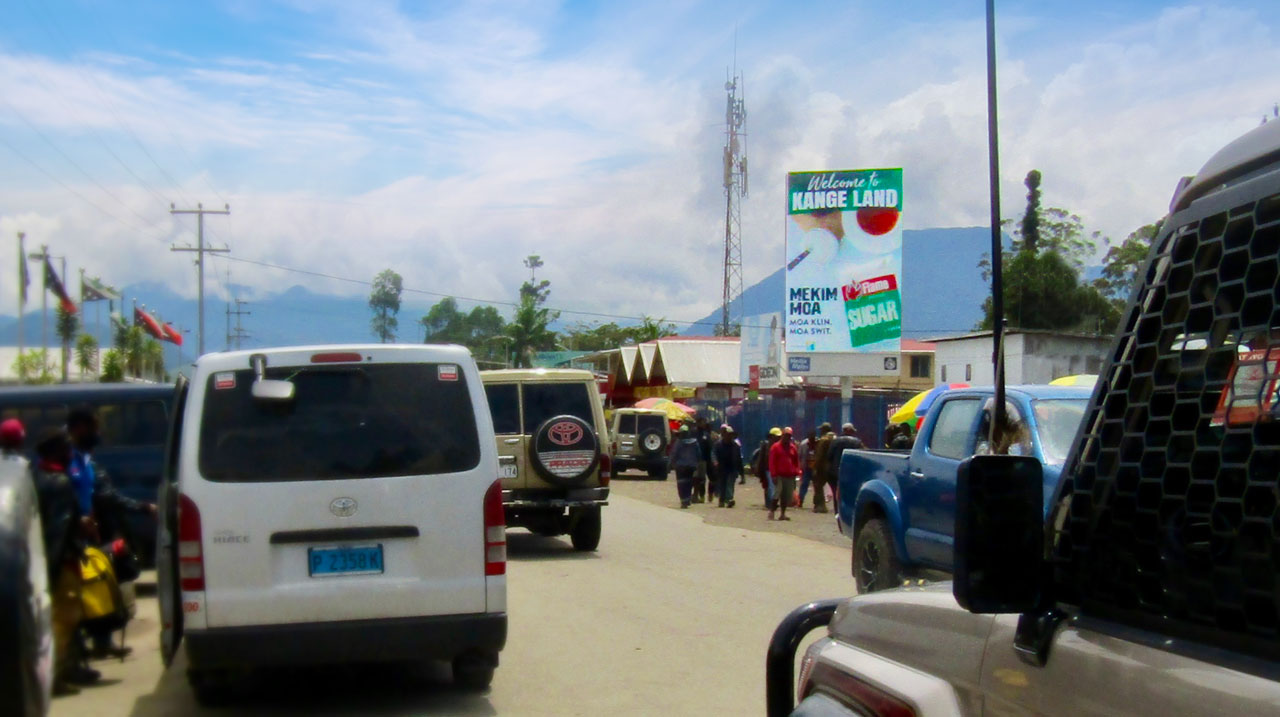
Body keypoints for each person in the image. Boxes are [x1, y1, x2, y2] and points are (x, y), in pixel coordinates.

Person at [66, 407, 156, 659]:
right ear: (79, 428)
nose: (98, 433)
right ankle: (77, 650)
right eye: (94, 428)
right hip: (74, 535)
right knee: (79, 591)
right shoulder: (69, 459)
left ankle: (102, 641)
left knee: (100, 584)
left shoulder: (85, 459)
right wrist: (142, 507)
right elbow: (104, 496)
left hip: (92, 532)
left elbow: (101, 495)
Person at [30, 429, 99, 693]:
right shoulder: (60, 482)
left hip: (40, 559)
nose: (71, 453)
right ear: (57, 452)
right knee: (65, 618)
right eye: (66, 448)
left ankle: (66, 669)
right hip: (60, 562)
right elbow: (58, 530)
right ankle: (55, 677)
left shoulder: (35, 476)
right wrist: (55, 567)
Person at [820, 423, 866, 511]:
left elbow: (829, 456)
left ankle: (837, 511)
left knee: (836, 493)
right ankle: (848, 511)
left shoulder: (835, 441)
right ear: (851, 431)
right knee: (850, 493)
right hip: (851, 473)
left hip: (835, 472)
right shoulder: (857, 442)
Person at [768, 427, 801, 521]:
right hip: (779, 475)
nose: (787, 437)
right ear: (782, 435)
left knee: (786, 496)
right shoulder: (775, 447)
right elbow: (772, 462)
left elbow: (796, 461)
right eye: (786, 435)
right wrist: (773, 475)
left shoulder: (792, 448)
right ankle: (771, 511)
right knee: (777, 493)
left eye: (789, 436)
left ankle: (782, 514)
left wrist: (797, 471)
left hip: (789, 475)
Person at [669, 424, 701, 509]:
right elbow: (699, 454)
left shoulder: (678, 442)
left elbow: (674, 454)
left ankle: (684, 500)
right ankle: (687, 499)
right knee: (688, 483)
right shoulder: (695, 442)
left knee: (681, 484)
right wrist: (697, 462)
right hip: (691, 466)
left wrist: (670, 464)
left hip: (680, 467)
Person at [713, 425, 744, 508]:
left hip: (732, 468)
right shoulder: (718, 444)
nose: (729, 436)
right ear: (724, 435)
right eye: (728, 434)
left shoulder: (735, 446)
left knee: (730, 484)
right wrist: (715, 461)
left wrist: (742, 474)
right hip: (721, 468)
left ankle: (729, 499)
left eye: (731, 435)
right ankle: (722, 500)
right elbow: (713, 454)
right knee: (722, 485)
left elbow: (739, 459)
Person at [751, 428, 781, 509]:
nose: (778, 438)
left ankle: (772, 502)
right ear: (771, 436)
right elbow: (761, 458)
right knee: (769, 486)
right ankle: (770, 502)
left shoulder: (780, 446)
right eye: (776, 436)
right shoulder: (766, 445)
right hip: (767, 469)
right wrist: (758, 469)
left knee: (775, 486)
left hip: (777, 469)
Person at [810, 423, 836, 513]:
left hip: (823, 467)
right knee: (835, 488)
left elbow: (819, 455)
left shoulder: (824, 439)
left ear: (824, 430)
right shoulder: (836, 438)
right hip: (835, 466)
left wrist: (815, 467)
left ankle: (820, 506)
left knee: (818, 486)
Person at [693, 419, 713, 504]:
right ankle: (695, 494)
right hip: (694, 459)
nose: (702, 424)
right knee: (695, 478)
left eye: (703, 423)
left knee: (702, 479)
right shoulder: (693, 433)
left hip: (703, 460)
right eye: (700, 422)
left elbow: (709, 448)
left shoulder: (706, 435)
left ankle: (702, 495)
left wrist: (710, 460)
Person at [797, 429, 817, 508]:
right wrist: (800, 466)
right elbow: (799, 455)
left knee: (817, 486)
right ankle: (800, 501)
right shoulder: (803, 444)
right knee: (804, 484)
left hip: (815, 468)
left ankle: (816, 502)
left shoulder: (818, 443)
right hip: (806, 468)